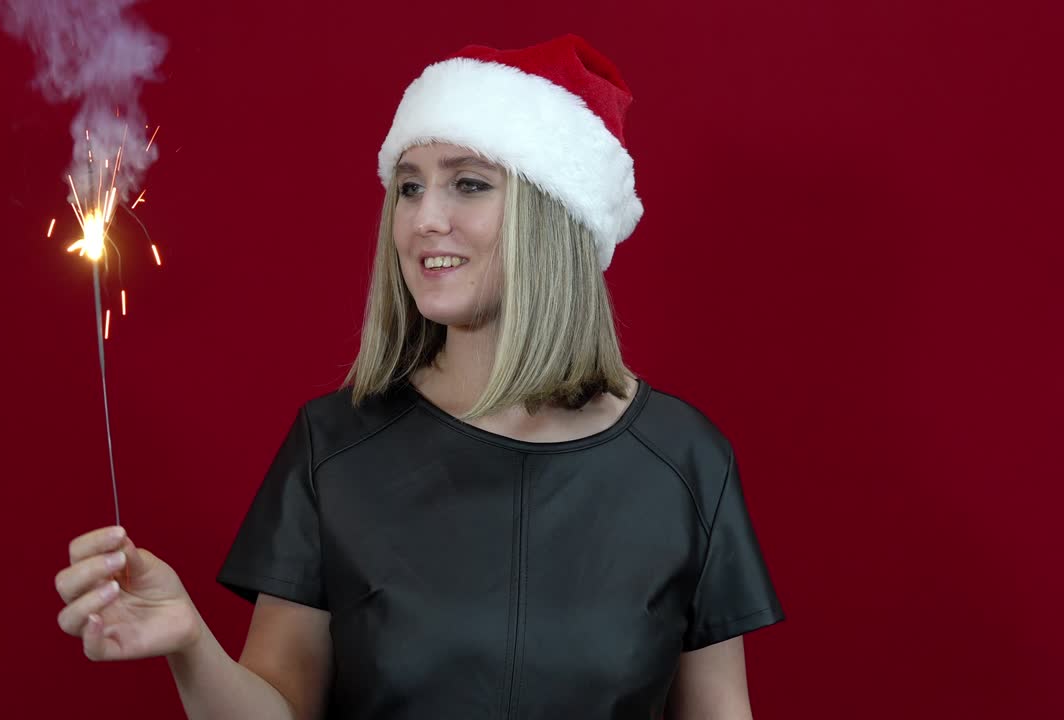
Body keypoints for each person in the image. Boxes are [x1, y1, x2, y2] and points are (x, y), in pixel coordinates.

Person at [53, 33, 784, 720]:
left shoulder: (685, 460)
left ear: (554, 216)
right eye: (408, 187)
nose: (423, 219)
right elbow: (277, 704)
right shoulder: (333, 444)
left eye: (468, 184)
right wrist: (190, 644)